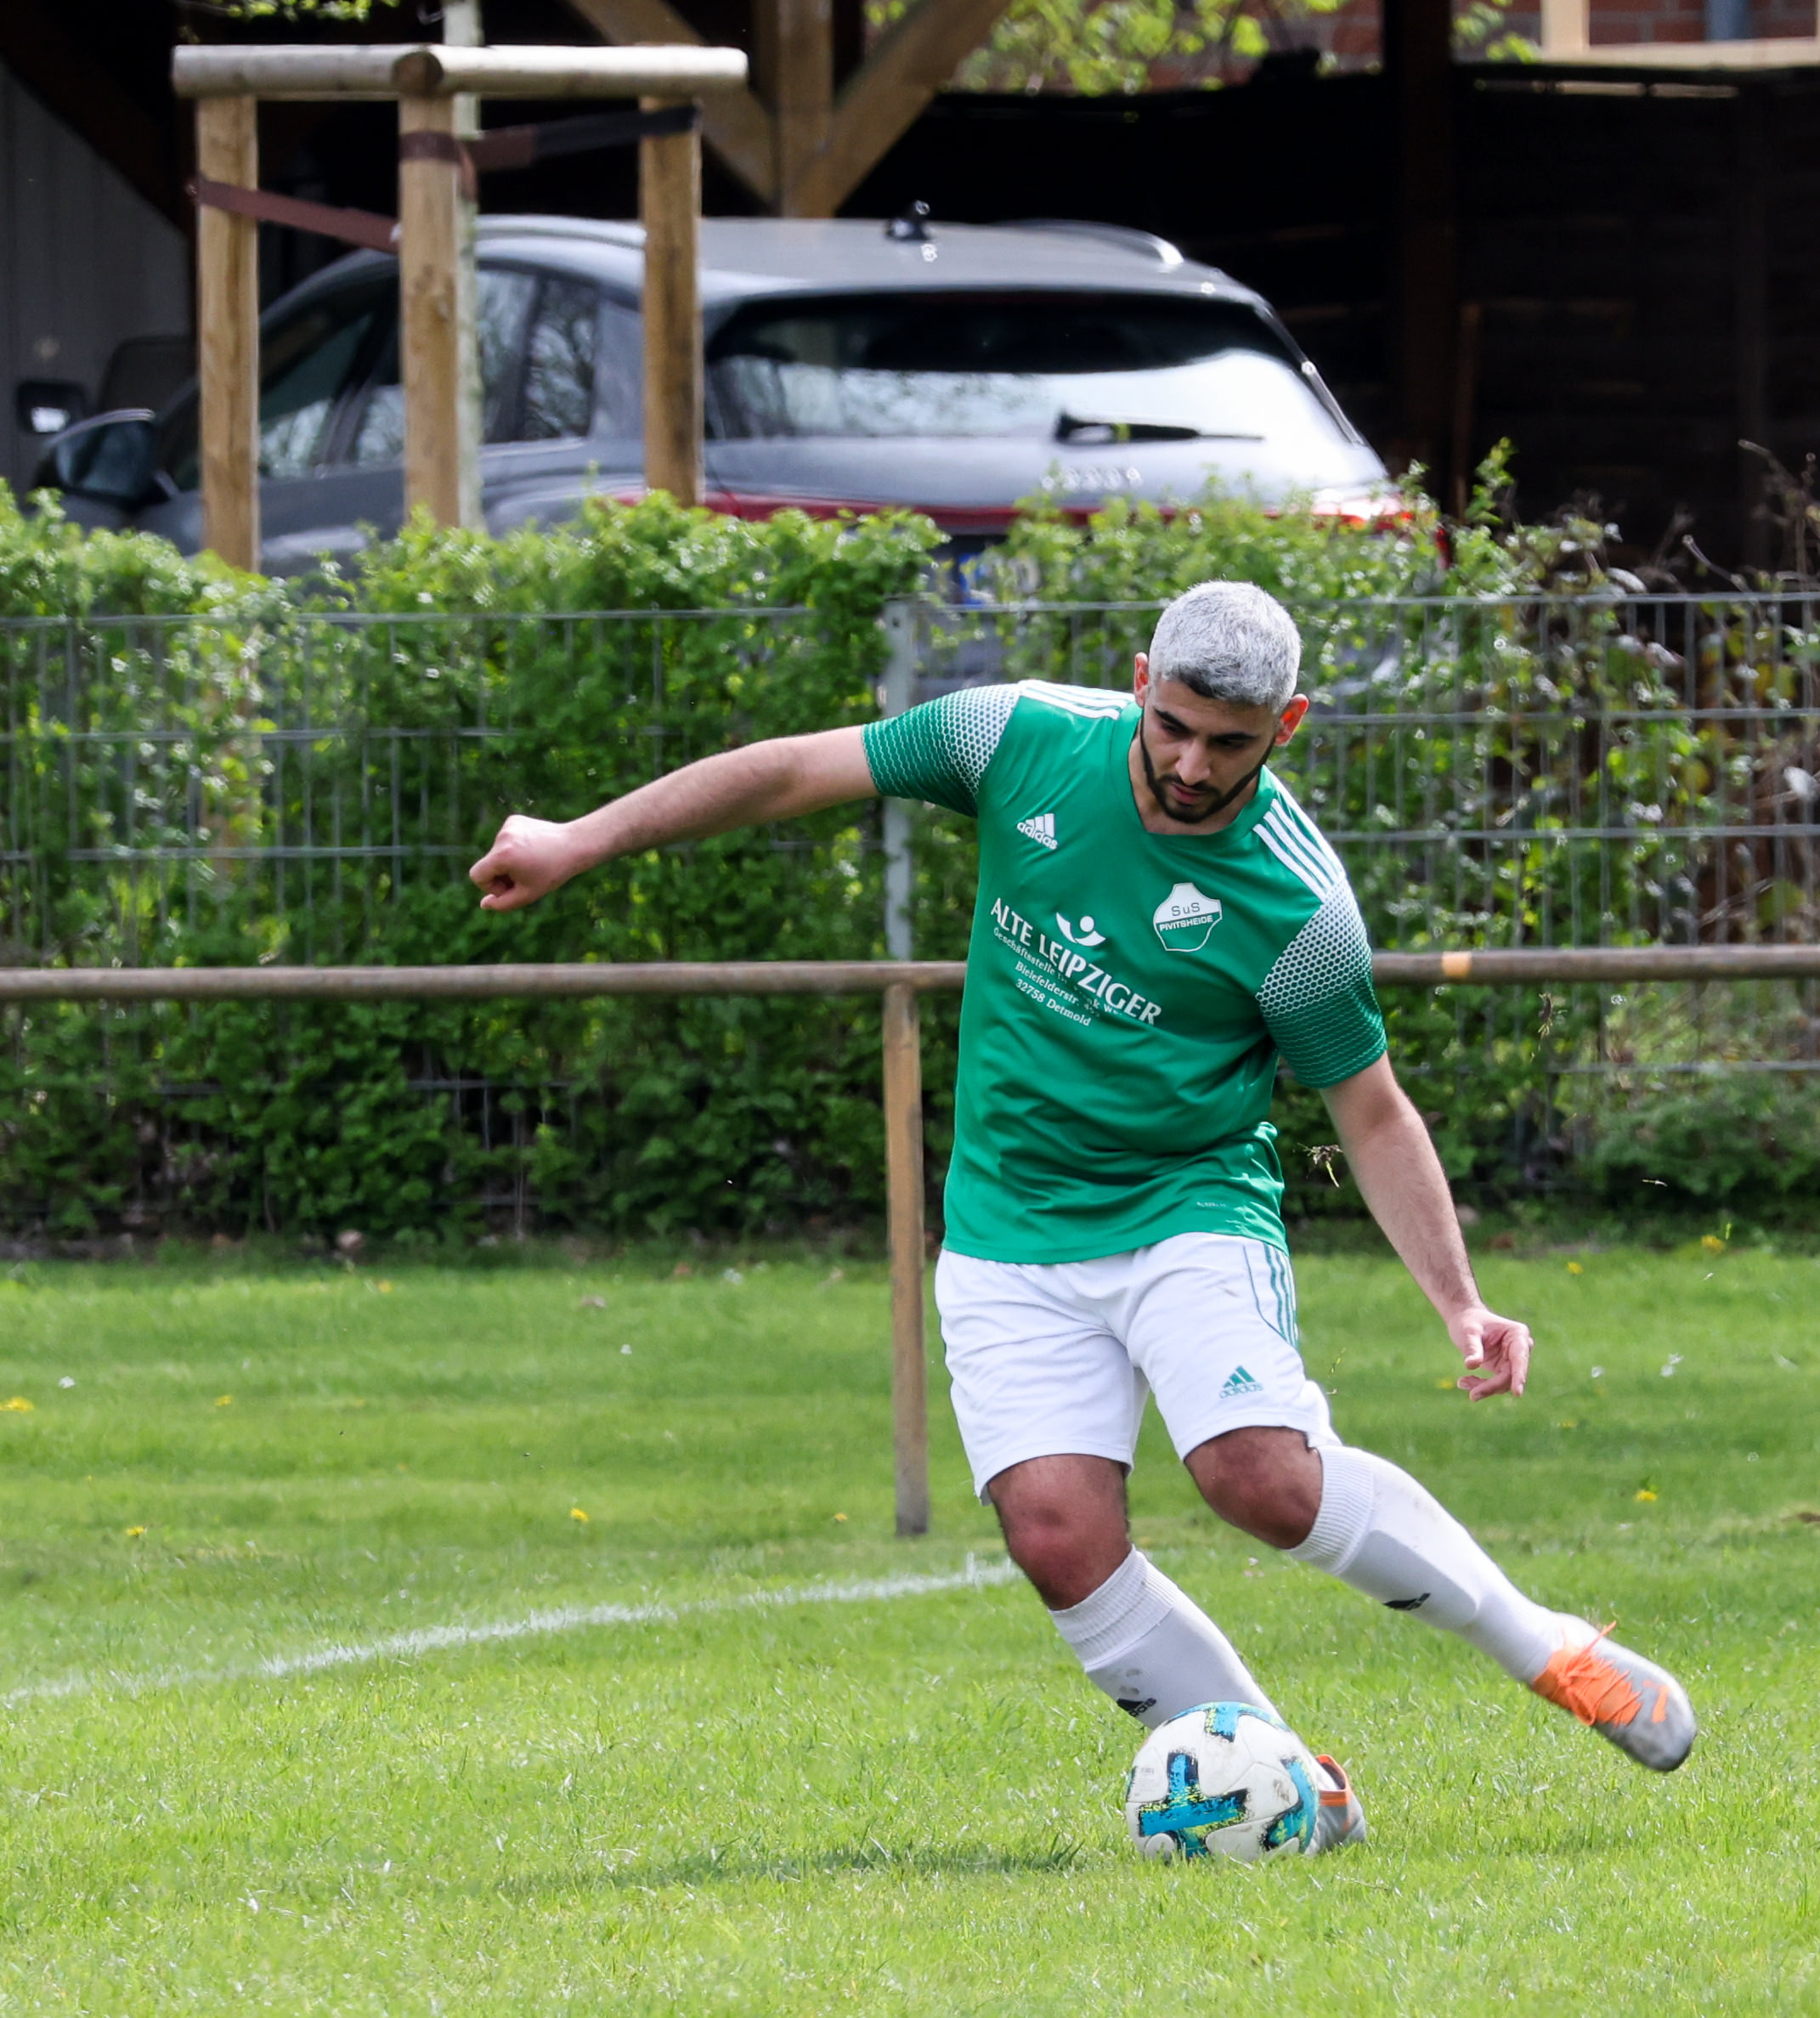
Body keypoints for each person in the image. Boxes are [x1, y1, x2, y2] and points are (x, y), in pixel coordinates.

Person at [466, 582, 1697, 1843]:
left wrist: (1459, 1299)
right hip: (1006, 1223)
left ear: (1285, 727)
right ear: (1139, 681)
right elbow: (793, 769)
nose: (1190, 765)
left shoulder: (1297, 909)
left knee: (1258, 1476)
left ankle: (1546, 1646)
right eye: (1173, 726)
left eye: (1229, 742)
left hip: (1187, 1207)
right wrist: (581, 838)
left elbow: (1371, 1112)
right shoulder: (1013, 735)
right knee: (1056, 1535)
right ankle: (1290, 1790)